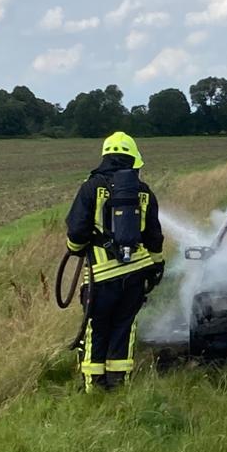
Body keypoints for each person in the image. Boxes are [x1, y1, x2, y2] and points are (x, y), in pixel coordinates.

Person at [65, 132, 165, 392]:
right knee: (123, 327)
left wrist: (75, 249)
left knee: (96, 329)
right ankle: (118, 384)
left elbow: (76, 231)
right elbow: (154, 237)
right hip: (135, 275)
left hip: (100, 277)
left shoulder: (91, 187)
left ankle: (93, 387)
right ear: (132, 159)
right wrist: (156, 267)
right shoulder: (143, 192)